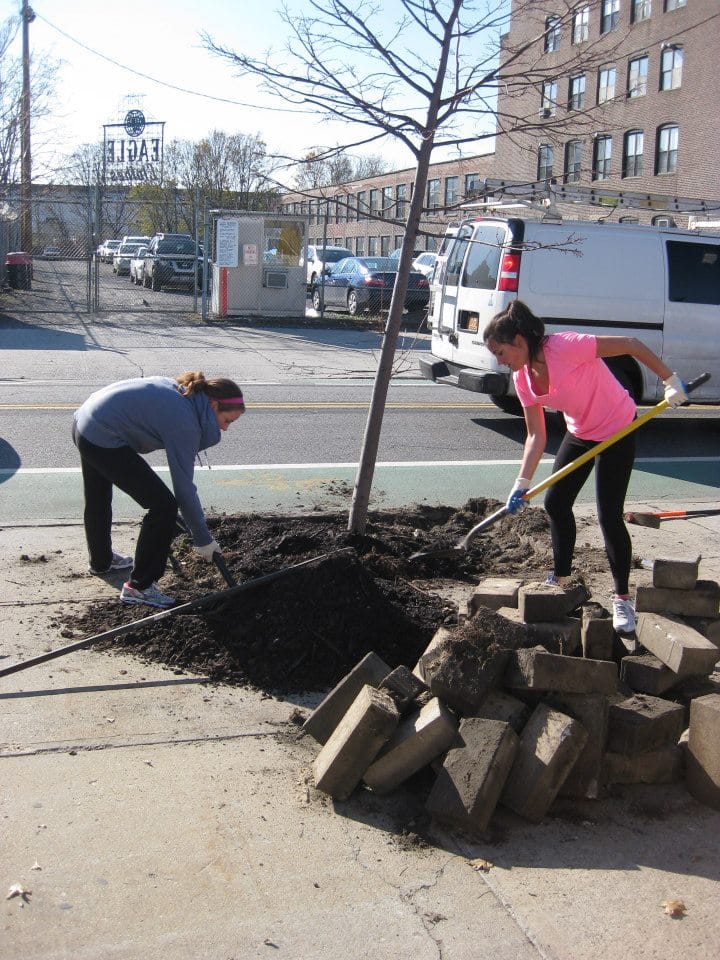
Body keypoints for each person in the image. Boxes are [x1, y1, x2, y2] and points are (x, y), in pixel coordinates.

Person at [483, 300, 689, 634]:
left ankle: (622, 598)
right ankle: (561, 577)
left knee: (609, 514)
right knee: (555, 503)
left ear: (519, 342)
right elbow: (536, 435)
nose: (499, 360)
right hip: (580, 432)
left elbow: (631, 345)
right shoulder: (523, 379)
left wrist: (670, 380)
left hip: (618, 428)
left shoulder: (565, 346)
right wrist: (521, 483)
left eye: (500, 352)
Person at [72, 371, 245, 609]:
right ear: (214, 404)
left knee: (98, 496)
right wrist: (203, 539)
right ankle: (139, 587)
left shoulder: (186, 395)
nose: (225, 429)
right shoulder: (184, 422)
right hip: (102, 434)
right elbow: (184, 488)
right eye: (227, 421)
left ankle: (101, 561)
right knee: (163, 506)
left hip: (85, 422)